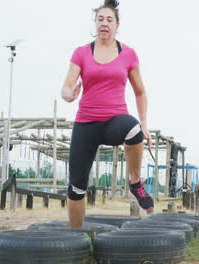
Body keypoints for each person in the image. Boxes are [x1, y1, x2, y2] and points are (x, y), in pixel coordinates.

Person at [61, 0, 153, 228]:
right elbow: (65, 88)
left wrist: (144, 124)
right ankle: (75, 238)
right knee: (76, 188)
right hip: (86, 124)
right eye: (100, 19)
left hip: (114, 121)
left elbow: (140, 92)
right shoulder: (81, 52)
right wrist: (69, 94)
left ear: (117, 25)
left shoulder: (128, 54)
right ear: (95, 23)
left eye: (109, 19)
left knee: (133, 129)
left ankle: (135, 183)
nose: (104, 23)